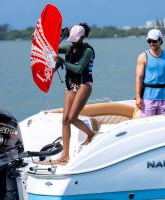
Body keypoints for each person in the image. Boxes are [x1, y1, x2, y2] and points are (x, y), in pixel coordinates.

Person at [53, 23, 95, 164]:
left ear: (82, 37)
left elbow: (78, 69)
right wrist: (50, 39)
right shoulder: (69, 47)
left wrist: (62, 60)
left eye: (76, 38)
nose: (73, 41)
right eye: (71, 38)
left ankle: (90, 134)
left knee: (72, 118)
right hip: (71, 85)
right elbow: (52, 49)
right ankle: (65, 155)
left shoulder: (88, 51)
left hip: (84, 85)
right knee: (65, 120)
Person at [135, 29, 165, 117]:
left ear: (160, 40)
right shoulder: (143, 56)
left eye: (154, 41)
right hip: (148, 98)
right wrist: (138, 97)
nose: (151, 43)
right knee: (147, 123)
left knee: (164, 124)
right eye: (149, 41)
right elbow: (139, 78)